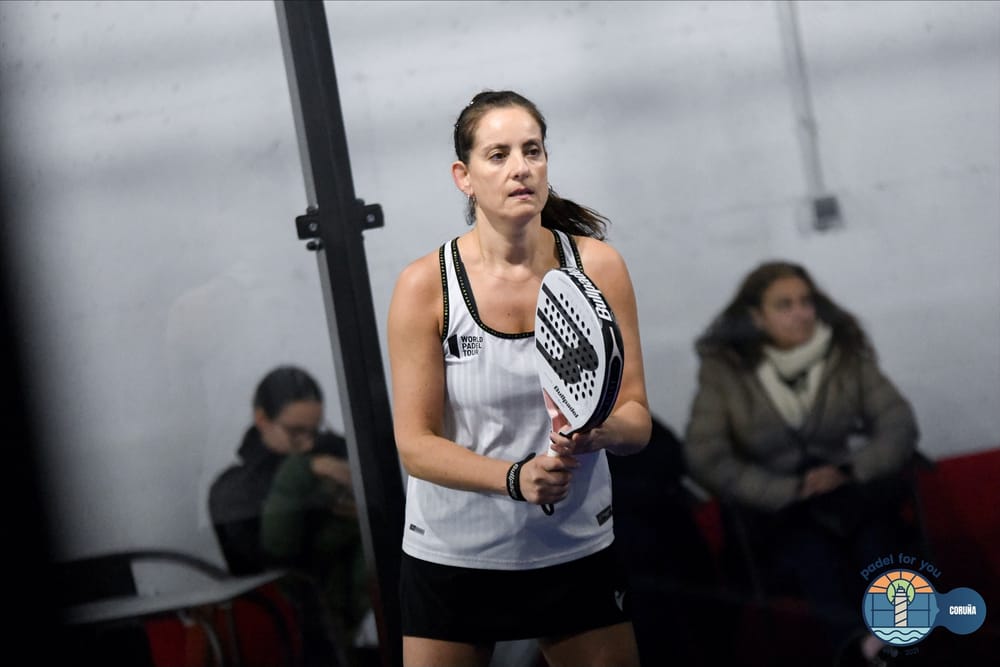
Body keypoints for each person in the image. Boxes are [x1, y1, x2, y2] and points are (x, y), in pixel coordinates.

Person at [386, 90, 652, 667]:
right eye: (498, 154)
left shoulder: (598, 266)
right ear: (464, 177)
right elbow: (415, 446)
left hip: (573, 547)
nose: (520, 167)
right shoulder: (424, 287)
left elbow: (636, 421)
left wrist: (599, 430)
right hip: (452, 557)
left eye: (532, 150)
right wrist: (514, 478)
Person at [683, 261, 920, 666]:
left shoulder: (842, 353)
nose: (801, 313)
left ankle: (895, 642)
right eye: (785, 305)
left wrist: (850, 470)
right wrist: (787, 490)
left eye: (806, 302)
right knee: (812, 548)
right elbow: (704, 455)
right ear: (757, 317)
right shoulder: (726, 370)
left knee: (876, 536)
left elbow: (897, 423)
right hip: (777, 508)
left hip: (845, 494)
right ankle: (858, 650)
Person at [208, 365, 370, 666]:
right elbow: (268, 560)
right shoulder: (234, 490)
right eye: (295, 432)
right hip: (279, 639)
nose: (307, 442)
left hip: (346, 629)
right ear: (262, 419)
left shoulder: (337, 458)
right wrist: (307, 474)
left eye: (314, 430)